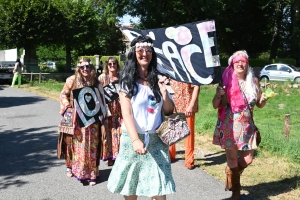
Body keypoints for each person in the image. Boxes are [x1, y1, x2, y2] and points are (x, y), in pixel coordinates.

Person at [107, 35, 176, 199]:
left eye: (148, 50)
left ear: (152, 54)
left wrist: (165, 93)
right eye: (140, 50)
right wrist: (135, 140)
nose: (144, 53)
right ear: (134, 53)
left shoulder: (160, 78)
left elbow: (168, 110)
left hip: (157, 140)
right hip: (132, 139)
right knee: (131, 187)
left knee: (159, 188)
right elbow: (127, 113)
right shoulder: (127, 80)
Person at [212, 50, 268, 199]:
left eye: (243, 61)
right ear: (232, 64)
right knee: (232, 159)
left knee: (248, 159)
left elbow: (259, 104)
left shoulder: (254, 81)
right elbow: (214, 104)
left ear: (247, 63)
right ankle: (236, 193)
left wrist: (264, 100)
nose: (240, 63)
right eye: (237, 61)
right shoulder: (225, 82)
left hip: (247, 127)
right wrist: (219, 94)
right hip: (229, 125)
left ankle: (231, 173)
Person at [58, 57, 106, 186]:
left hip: (93, 121)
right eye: (82, 67)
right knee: (80, 147)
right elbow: (63, 94)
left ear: (92, 68)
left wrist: (103, 115)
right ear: (78, 69)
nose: (85, 69)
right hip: (78, 120)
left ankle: (93, 173)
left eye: (88, 67)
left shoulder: (96, 82)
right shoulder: (72, 80)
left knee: (93, 147)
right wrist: (68, 106)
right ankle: (81, 172)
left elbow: (102, 99)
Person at [168, 81, 200, 170]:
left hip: (187, 105)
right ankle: (170, 155)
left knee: (188, 134)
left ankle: (189, 160)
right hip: (173, 103)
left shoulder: (191, 68)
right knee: (172, 131)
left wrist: (191, 105)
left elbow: (196, 87)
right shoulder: (171, 67)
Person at [98, 57, 122, 166]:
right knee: (108, 135)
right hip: (107, 112)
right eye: (110, 64)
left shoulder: (122, 77)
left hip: (119, 111)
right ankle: (109, 157)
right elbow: (97, 93)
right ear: (107, 65)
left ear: (117, 65)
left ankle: (117, 156)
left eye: (114, 63)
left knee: (118, 134)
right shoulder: (102, 78)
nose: (112, 66)